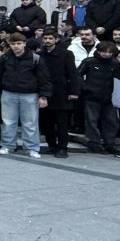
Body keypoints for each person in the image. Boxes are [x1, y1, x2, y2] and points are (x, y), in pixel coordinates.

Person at [0, 33, 51, 159]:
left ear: (24, 44)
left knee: (30, 122)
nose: (16, 46)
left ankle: (31, 148)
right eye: (13, 44)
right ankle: (8, 145)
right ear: (9, 45)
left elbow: (44, 78)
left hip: (30, 94)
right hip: (8, 92)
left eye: (19, 43)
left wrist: (43, 96)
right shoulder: (5, 58)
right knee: (8, 122)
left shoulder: (35, 58)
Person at [38, 28, 80, 158]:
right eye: (45, 38)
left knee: (62, 122)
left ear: (56, 39)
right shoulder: (40, 54)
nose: (47, 41)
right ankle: (51, 145)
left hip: (61, 91)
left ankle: (63, 147)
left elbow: (73, 73)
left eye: (50, 38)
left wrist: (74, 91)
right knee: (47, 121)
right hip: (45, 91)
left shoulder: (66, 54)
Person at [78, 42, 120, 155]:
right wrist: (84, 87)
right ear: (98, 51)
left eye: (109, 52)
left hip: (110, 97)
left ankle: (109, 143)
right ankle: (94, 143)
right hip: (92, 96)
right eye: (104, 52)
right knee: (91, 120)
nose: (106, 54)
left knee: (111, 121)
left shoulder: (116, 64)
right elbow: (78, 75)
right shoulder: (89, 61)